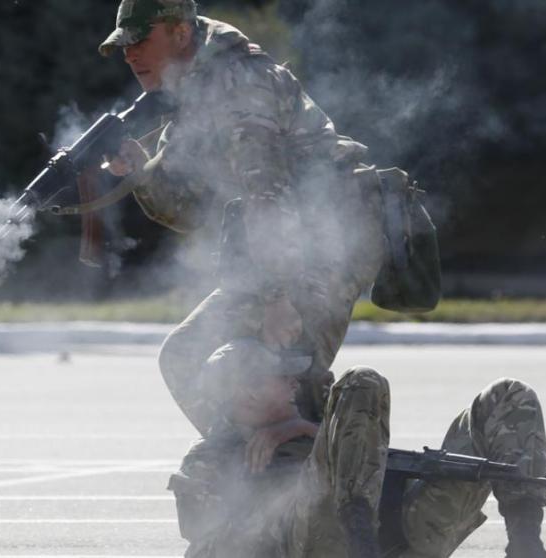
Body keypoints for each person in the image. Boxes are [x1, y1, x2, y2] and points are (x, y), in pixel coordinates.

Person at [99, 0, 387, 438]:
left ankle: (333, 485)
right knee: (186, 355)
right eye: (124, 45)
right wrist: (140, 173)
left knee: (287, 370)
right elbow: (187, 211)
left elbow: (267, 194)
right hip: (284, 241)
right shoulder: (192, 90)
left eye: (140, 39)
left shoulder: (239, 84)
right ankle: (252, 474)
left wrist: (275, 298)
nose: (130, 53)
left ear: (180, 33)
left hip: (333, 232)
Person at [170, 338, 546, 558]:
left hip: (402, 532)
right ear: (246, 391)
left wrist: (304, 429)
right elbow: (206, 544)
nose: (293, 383)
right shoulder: (210, 457)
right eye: (280, 376)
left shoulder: (311, 425)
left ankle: (525, 540)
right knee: (360, 381)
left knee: (508, 395)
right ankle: (361, 541)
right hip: (313, 547)